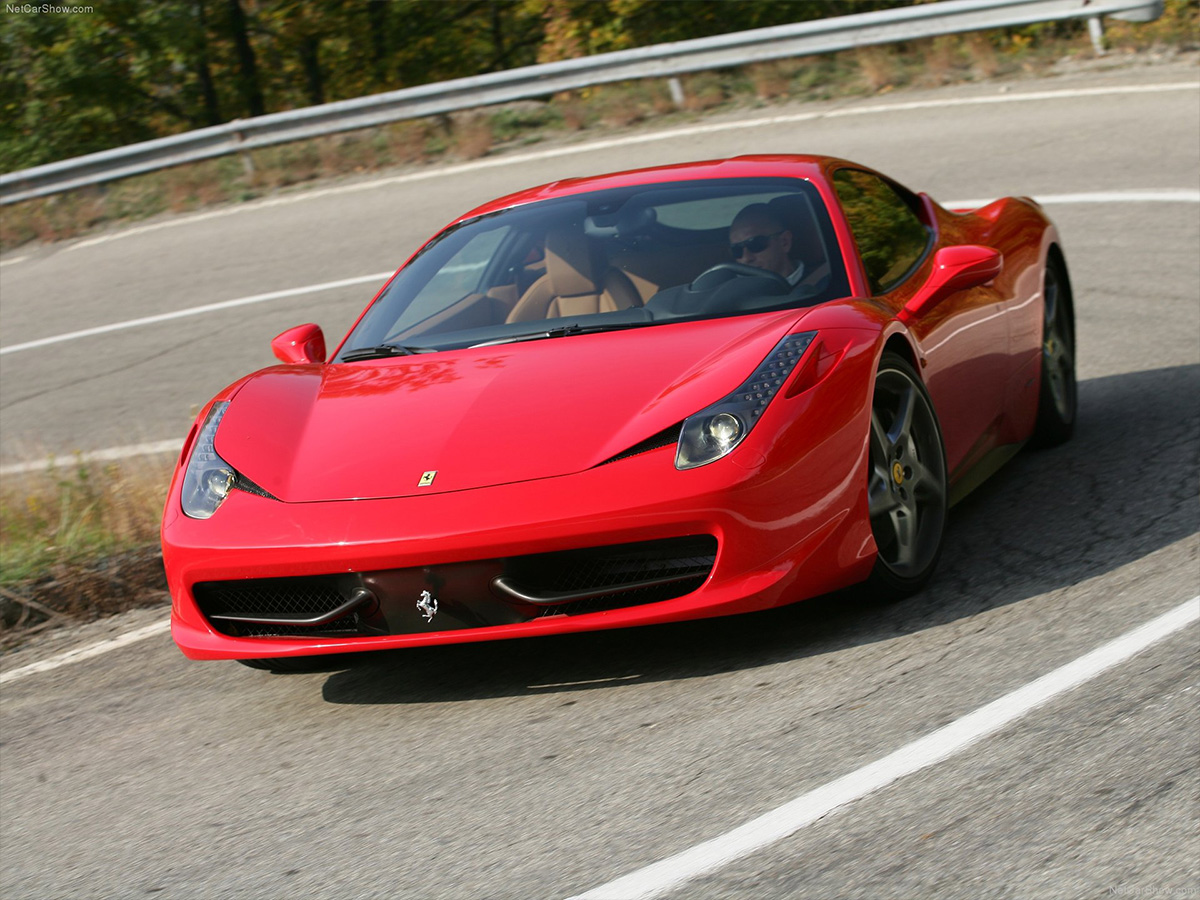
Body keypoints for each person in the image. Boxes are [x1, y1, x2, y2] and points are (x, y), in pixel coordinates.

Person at [728, 203, 805, 285]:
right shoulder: (733, 291)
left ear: (784, 242)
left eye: (755, 244)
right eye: (737, 250)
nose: (746, 258)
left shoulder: (817, 284)